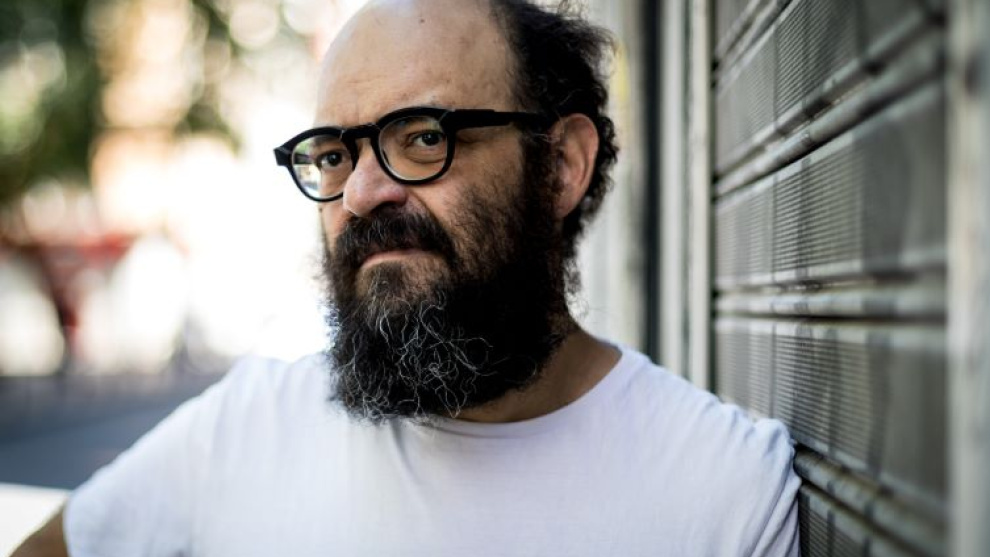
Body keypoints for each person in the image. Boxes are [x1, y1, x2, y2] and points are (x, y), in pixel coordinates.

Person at [15, 0, 800, 555]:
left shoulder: (720, 490)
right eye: (334, 154)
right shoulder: (247, 427)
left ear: (561, 165)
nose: (360, 194)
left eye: (423, 137)